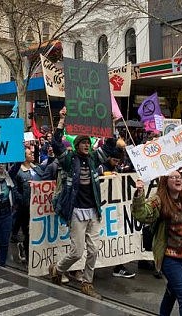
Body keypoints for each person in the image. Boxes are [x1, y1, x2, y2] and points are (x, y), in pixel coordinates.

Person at [132, 167, 182, 316]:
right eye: (173, 177)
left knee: (172, 292)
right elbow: (142, 214)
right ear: (164, 181)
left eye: (179, 177)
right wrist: (139, 194)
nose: (178, 179)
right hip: (169, 259)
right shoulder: (158, 200)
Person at [49, 106, 103, 298]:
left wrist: (112, 123)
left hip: (93, 211)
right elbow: (56, 144)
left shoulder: (94, 160)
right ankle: (57, 268)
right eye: (84, 143)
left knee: (94, 249)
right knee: (77, 252)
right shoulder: (69, 161)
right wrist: (61, 122)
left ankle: (87, 283)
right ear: (77, 146)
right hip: (76, 211)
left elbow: (111, 148)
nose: (87, 145)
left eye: (89, 143)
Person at [98, 138, 135, 279]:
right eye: (114, 160)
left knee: (120, 236)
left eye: (118, 161)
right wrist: (107, 175)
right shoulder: (102, 167)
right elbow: (95, 175)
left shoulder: (118, 167)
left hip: (116, 210)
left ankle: (119, 266)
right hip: (103, 210)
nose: (117, 163)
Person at [13, 147, 40, 263]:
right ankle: (29, 258)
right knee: (28, 232)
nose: (33, 155)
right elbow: (14, 189)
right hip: (25, 208)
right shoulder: (18, 172)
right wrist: (22, 201)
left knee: (37, 231)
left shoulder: (37, 169)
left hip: (37, 207)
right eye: (30, 154)